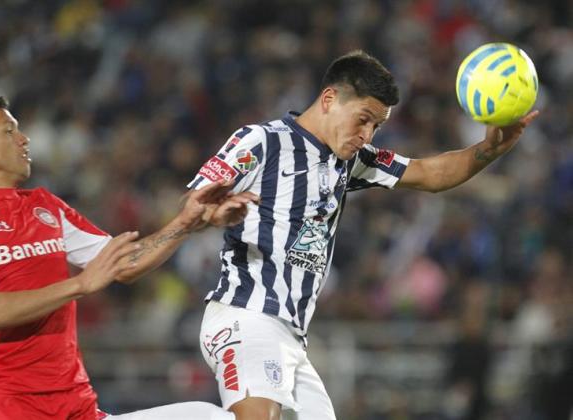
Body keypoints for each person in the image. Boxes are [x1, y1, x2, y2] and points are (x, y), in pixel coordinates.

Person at [186, 50, 539, 420]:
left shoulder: (351, 161)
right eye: (363, 120)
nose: (366, 135)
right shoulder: (262, 141)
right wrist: (211, 211)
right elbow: (193, 199)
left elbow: (430, 175)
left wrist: (490, 149)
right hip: (247, 315)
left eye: (376, 127)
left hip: (291, 337)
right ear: (329, 100)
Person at [0, 96, 259, 420]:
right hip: (7, 410)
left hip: (77, 409)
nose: (24, 139)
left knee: (210, 417)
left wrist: (186, 222)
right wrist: (79, 285)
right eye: (8, 131)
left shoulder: (43, 206)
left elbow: (122, 264)